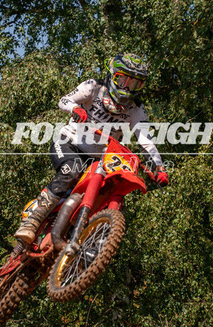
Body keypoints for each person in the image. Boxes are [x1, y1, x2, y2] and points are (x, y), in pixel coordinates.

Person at [15, 52, 169, 245]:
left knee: (111, 188)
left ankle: (85, 242)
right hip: (69, 142)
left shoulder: (136, 109)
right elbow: (64, 100)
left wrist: (158, 167)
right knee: (71, 170)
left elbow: (146, 140)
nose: (127, 88)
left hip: (99, 158)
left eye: (135, 84)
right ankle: (33, 220)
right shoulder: (93, 87)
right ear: (112, 75)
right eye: (123, 80)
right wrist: (75, 109)